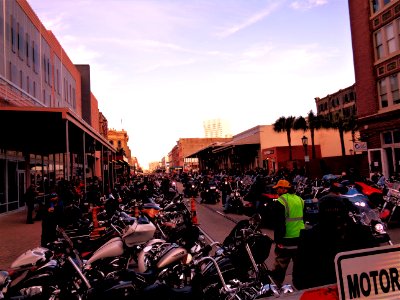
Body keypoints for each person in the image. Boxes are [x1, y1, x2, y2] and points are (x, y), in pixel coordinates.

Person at [292, 182, 380, 290]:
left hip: (357, 291)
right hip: (331, 293)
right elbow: (300, 280)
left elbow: (299, 280)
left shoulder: (310, 237)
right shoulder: (361, 232)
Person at [270, 179, 305, 288]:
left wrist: (278, 241)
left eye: (278, 188)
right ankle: (300, 287)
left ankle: (275, 286)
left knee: (280, 265)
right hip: (300, 238)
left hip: (286, 239)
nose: (277, 190)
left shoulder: (281, 201)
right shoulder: (300, 199)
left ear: (285, 189)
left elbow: (279, 223)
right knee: (299, 266)